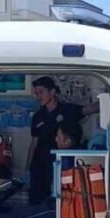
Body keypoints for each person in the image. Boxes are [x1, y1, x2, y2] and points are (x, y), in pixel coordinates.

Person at [11, 123, 86, 218]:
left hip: (59, 209)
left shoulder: (65, 160)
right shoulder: (76, 158)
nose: (56, 140)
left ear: (68, 142)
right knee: (26, 210)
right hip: (59, 205)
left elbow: (59, 193)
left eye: (59, 138)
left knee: (17, 217)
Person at [26, 76, 84, 205]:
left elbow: (89, 109)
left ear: (52, 92)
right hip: (39, 164)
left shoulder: (67, 110)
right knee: (36, 200)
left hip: (59, 164)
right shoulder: (38, 116)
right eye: (36, 93)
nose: (38, 96)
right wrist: (27, 169)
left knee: (57, 201)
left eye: (41, 92)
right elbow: (34, 143)